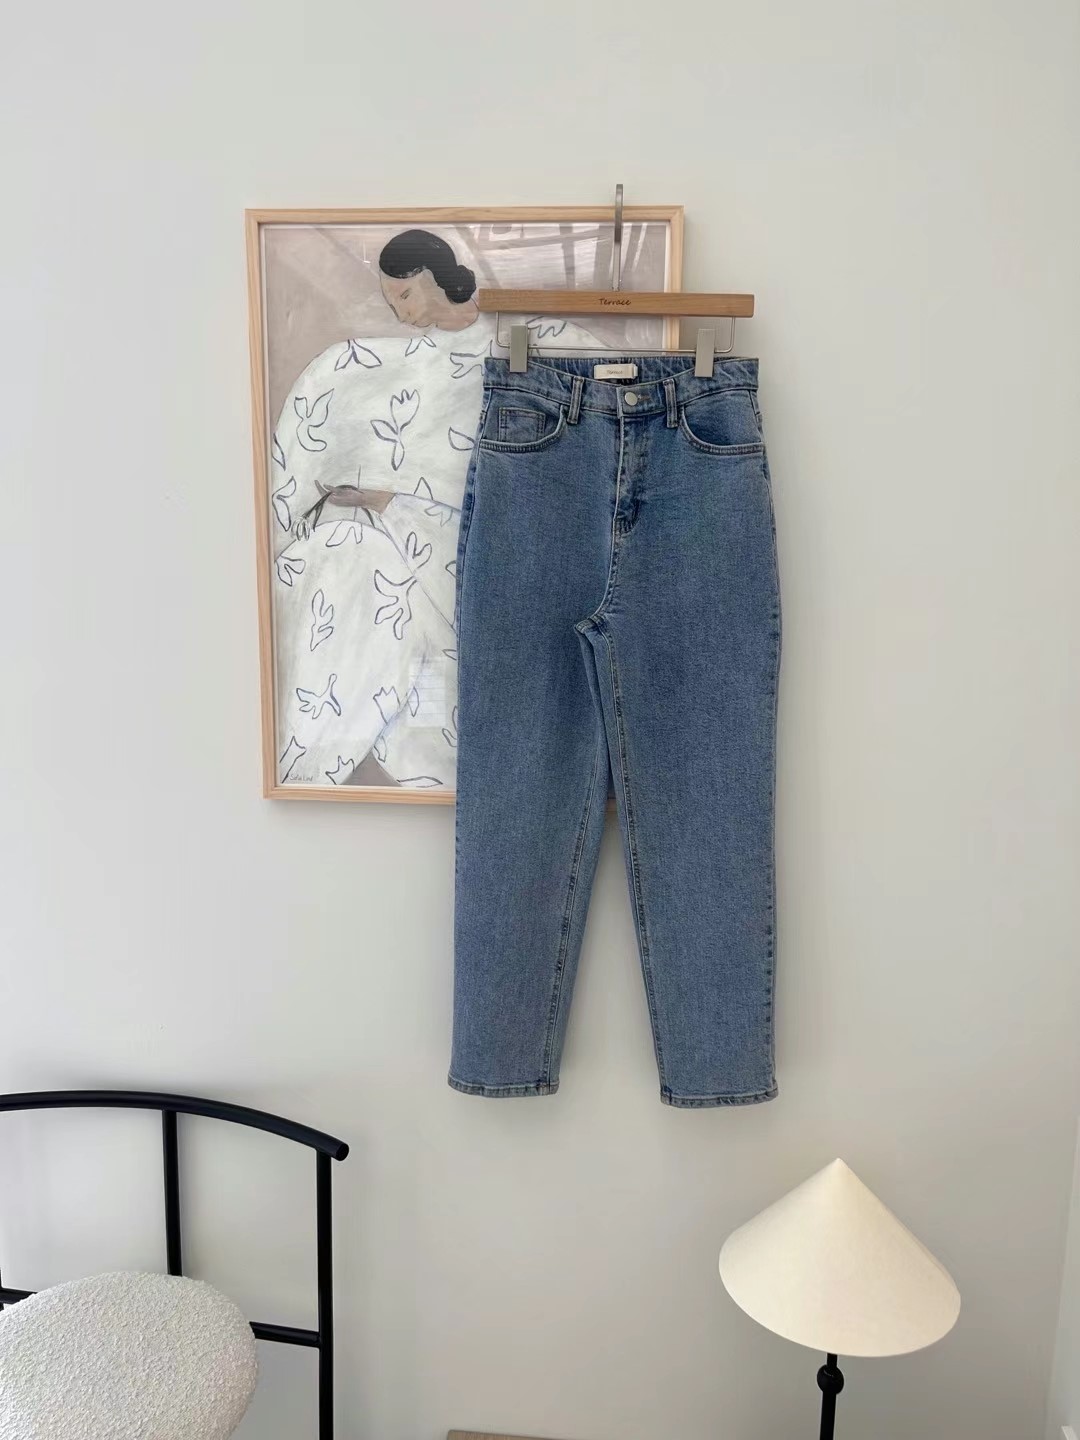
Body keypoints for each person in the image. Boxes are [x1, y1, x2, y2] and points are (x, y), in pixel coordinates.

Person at [271, 229, 593, 790]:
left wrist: (392, 501)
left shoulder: (522, 344)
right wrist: (371, 502)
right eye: (390, 300)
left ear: (433, 278)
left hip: (493, 543)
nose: (400, 312)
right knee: (348, 557)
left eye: (404, 295)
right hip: (398, 548)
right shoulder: (376, 367)